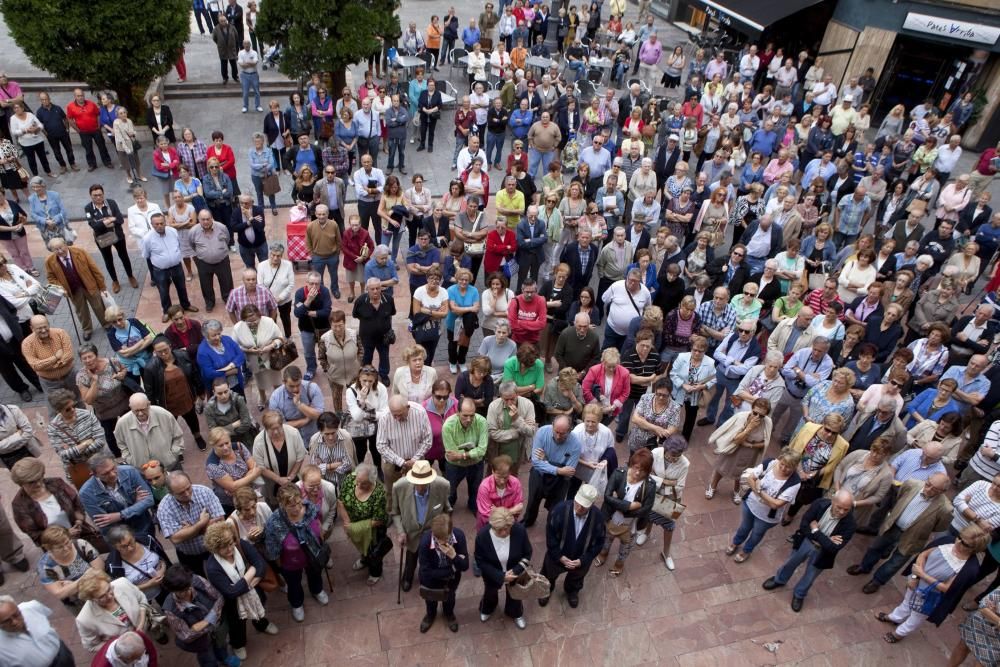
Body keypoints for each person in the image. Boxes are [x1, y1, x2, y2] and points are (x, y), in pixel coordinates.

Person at [877, 525, 987, 644]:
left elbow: (946, 588)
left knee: (916, 617)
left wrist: (922, 575)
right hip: (916, 582)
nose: (958, 542)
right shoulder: (947, 541)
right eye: (959, 537)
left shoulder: (969, 568)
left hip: (930, 596)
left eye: (965, 544)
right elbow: (923, 555)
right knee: (907, 602)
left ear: (975, 548)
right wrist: (915, 577)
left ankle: (899, 633)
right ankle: (895, 618)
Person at [847, 472, 954, 592]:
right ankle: (864, 566)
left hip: (913, 538)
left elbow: (939, 527)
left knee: (895, 562)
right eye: (928, 484)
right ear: (927, 479)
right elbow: (899, 498)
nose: (928, 489)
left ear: (942, 492)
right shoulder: (911, 484)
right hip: (893, 526)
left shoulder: (946, 508)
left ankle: (877, 581)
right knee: (875, 548)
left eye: (934, 489)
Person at [762, 490, 856, 612]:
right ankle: (779, 580)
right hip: (805, 541)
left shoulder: (850, 524)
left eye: (846, 509)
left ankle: (799, 594)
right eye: (839, 507)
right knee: (790, 563)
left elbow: (834, 548)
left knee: (811, 575)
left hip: (823, 553)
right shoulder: (819, 504)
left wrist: (816, 531)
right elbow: (804, 525)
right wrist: (826, 539)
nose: (842, 512)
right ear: (833, 501)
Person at [10, 456, 104, 549]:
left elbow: (76, 503)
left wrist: (79, 521)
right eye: (31, 482)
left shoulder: (57, 483)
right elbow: (34, 534)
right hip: (57, 547)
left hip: (82, 534)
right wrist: (64, 534)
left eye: (40, 477)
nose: (38, 483)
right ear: (21, 483)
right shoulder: (20, 505)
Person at [727, 448, 802, 563]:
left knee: (757, 533)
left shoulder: (795, 482)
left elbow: (776, 504)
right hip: (750, 504)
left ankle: (747, 550)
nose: (783, 468)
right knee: (744, 527)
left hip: (767, 517)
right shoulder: (770, 463)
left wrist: (758, 490)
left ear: (795, 466)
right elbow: (750, 478)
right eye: (782, 464)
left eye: (788, 467)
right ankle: (736, 542)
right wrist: (765, 495)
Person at [160, 565, 235, 667]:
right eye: (181, 591)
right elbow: (185, 635)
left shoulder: (197, 580)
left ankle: (224, 657)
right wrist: (213, 618)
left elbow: (219, 597)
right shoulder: (170, 609)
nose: (187, 593)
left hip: (217, 629)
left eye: (188, 587)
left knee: (221, 644)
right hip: (201, 641)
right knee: (208, 658)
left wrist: (206, 622)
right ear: (171, 590)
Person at [74, 569, 160, 652]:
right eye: (102, 596)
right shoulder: (84, 620)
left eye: (109, 589)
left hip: (144, 627)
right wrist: (120, 644)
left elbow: (141, 598)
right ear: (91, 599)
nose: (110, 596)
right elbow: (92, 647)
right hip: (126, 650)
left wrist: (141, 624)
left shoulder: (123, 583)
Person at [43, 237, 107, 342]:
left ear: (65, 244)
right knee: (81, 311)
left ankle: (106, 324)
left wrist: (102, 286)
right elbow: (51, 278)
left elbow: (94, 269)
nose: (60, 251)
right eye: (56, 249)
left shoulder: (80, 252)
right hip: (73, 291)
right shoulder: (49, 261)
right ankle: (87, 329)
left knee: (99, 306)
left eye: (61, 247)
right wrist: (61, 288)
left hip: (90, 285)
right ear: (52, 251)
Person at [79, 454, 154, 539]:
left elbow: (149, 500)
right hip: (119, 538)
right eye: (106, 473)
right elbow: (105, 526)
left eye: (113, 468)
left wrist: (120, 515)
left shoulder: (130, 471)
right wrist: (137, 506)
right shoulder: (86, 493)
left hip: (144, 527)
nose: (113, 474)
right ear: (94, 475)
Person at [417, 512, 468, 634]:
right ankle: (430, 615)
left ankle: (449, 614)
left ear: (451, 532)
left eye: (444, 538)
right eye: (437, 538)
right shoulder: (425, 542)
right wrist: (452, 570)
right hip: (431, 581)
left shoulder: (459, 537)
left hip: (451, 580)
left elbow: (465, 566)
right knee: (430, 600)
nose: (440, 542)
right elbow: (426, 572)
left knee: (450, 598)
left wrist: (454, 556)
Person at [35, 524, 106, 608]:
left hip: (100, 589)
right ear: (49, 549)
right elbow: (59, 594)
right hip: (79, 603)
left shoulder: (81, 545)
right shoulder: (45, 566)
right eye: (60, 547)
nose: (66, 548)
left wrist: (72, 586)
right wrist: (89, 574)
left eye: (67, 542)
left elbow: (100, 569)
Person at [0, 595, 77, 667]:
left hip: (62, 653)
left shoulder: (31, 607)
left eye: (16, 615)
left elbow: (46, 615)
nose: (15, 622)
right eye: (7, 621)